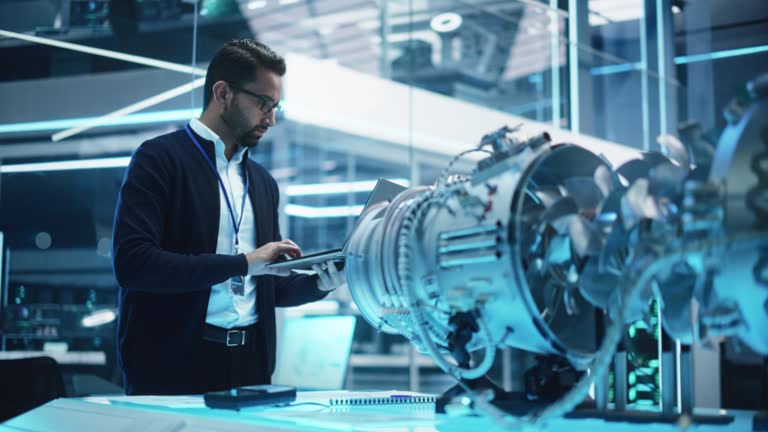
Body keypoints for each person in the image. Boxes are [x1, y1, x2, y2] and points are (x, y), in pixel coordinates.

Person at [112, 39, 345, 396]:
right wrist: (243, 262)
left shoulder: (263, 183)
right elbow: (134, 265)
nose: (271, 118)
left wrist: (323, 282)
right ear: (224, 93)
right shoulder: (159, 159)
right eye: (263, 103)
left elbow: (266, 285)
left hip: (250, 364)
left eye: (276, 106)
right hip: (172, 366)